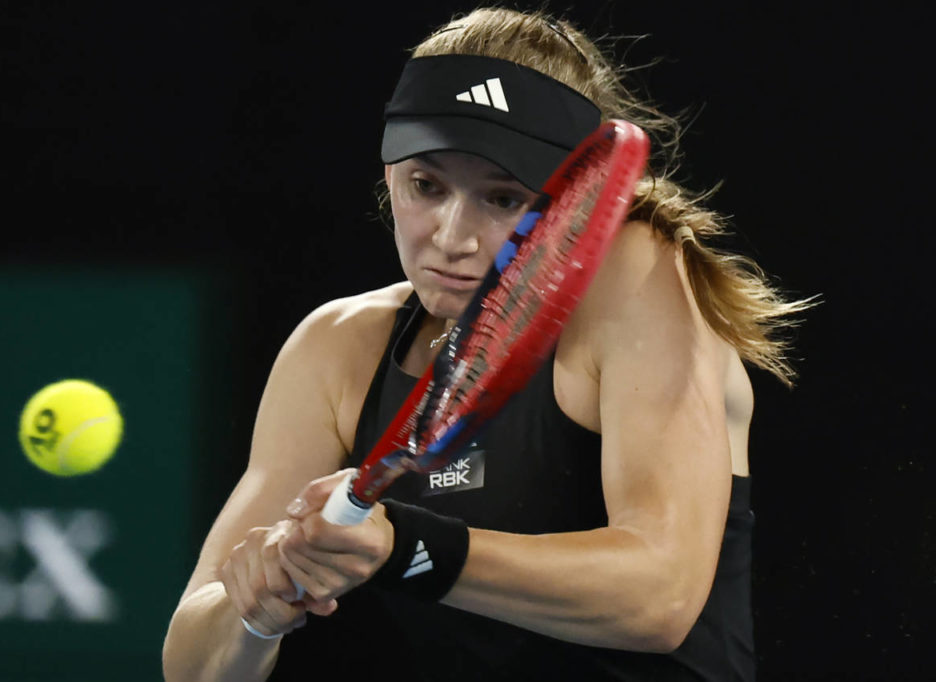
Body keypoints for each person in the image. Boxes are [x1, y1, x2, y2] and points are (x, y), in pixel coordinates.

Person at [163, 7, 814, 681]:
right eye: (426, 185)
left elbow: (661, 598)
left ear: (574, 205)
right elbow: (189, 666)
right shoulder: (337, 346)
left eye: (503, 198)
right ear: (389, 174)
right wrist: (258, 608)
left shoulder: (639, 276)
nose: (451, 238)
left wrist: (404, 547)